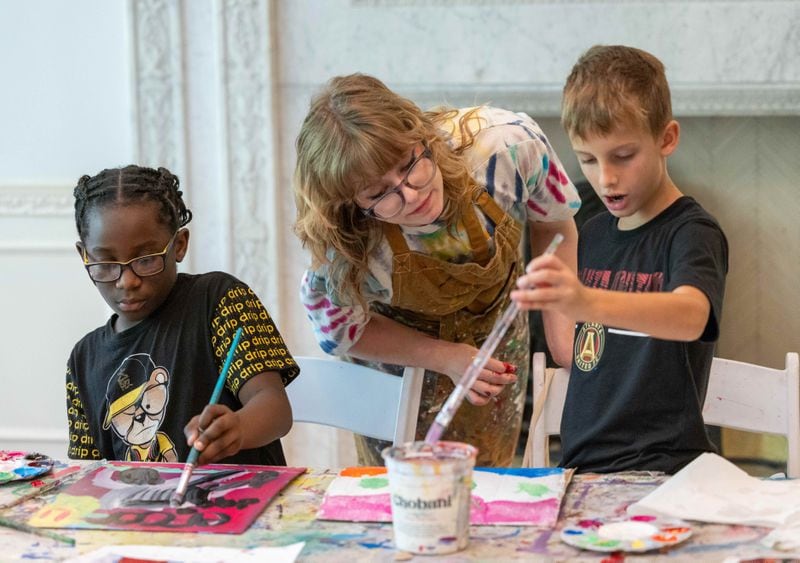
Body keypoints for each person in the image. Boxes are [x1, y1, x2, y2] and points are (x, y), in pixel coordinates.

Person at [293, 73, 580, 467]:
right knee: (402, 502)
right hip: (397, 374)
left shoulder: (507, 147)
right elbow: (342, 332)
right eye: (379, 194)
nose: (411, 194)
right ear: (349, 204)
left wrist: (563, 345)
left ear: (421, 134)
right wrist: (442, 356)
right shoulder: (346, 246)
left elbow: (555, 223)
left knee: (487, 492)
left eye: (409, 165)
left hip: (494, 343)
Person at [511, 45, 729, 474]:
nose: (605, 178)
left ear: (666, 138)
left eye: (623, 156)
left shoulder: (691, 231)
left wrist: (587, 300)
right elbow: (576, 354)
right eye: (587, 159)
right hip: (582, 467)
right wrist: (553, 294)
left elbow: (692, 316)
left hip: (664, 470)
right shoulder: (591, 233)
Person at [67, 165, 298, 465]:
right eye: (106, 264)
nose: (127, 281)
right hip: (143, 510)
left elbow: (275, 409)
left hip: (241, 507)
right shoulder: (83, 360)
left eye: (146, 259)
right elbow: (89, 473)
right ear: (84, 255)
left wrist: (239, 428)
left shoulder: (219, 300)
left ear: (179, 244)